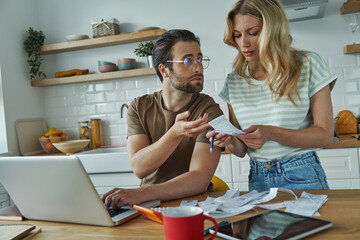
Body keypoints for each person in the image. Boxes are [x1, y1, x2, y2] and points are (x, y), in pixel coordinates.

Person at [206, 0, 337, 191]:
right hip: (258, 179)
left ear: (273, 30)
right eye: (237, 35)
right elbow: (242, 150)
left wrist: (272, 133)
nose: (244, 43)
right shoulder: (234, 81)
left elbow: (325, 137)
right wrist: (229, 139)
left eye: (253, 32)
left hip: (302, 174)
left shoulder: (308, 64)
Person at [102, 29, 224, 208]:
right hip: (147, 205)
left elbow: (199, 179)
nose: (198, 67)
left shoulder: (208, 110)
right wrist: (175, 133)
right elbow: (139, 168)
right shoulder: (139, 107)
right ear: (164, 70)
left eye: (199, 59)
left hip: (195, 206)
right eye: (188, 60)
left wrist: (141, 193)